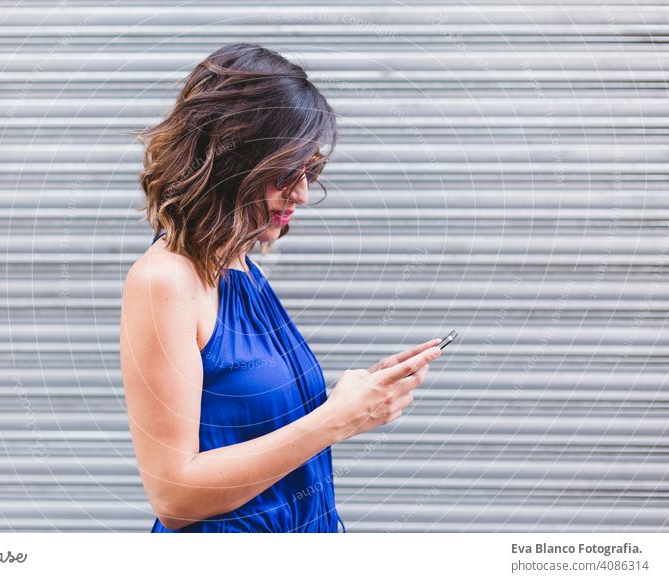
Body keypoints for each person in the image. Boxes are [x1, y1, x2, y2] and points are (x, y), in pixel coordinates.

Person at [119, 42, 442, 533]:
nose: (303, 193)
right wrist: (339, 417)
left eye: (310, 170)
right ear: (229, 158)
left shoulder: (240, 268)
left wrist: (358, 397)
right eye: (287, 170)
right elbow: (175, 494)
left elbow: (261, 434)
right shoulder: (164, 280)